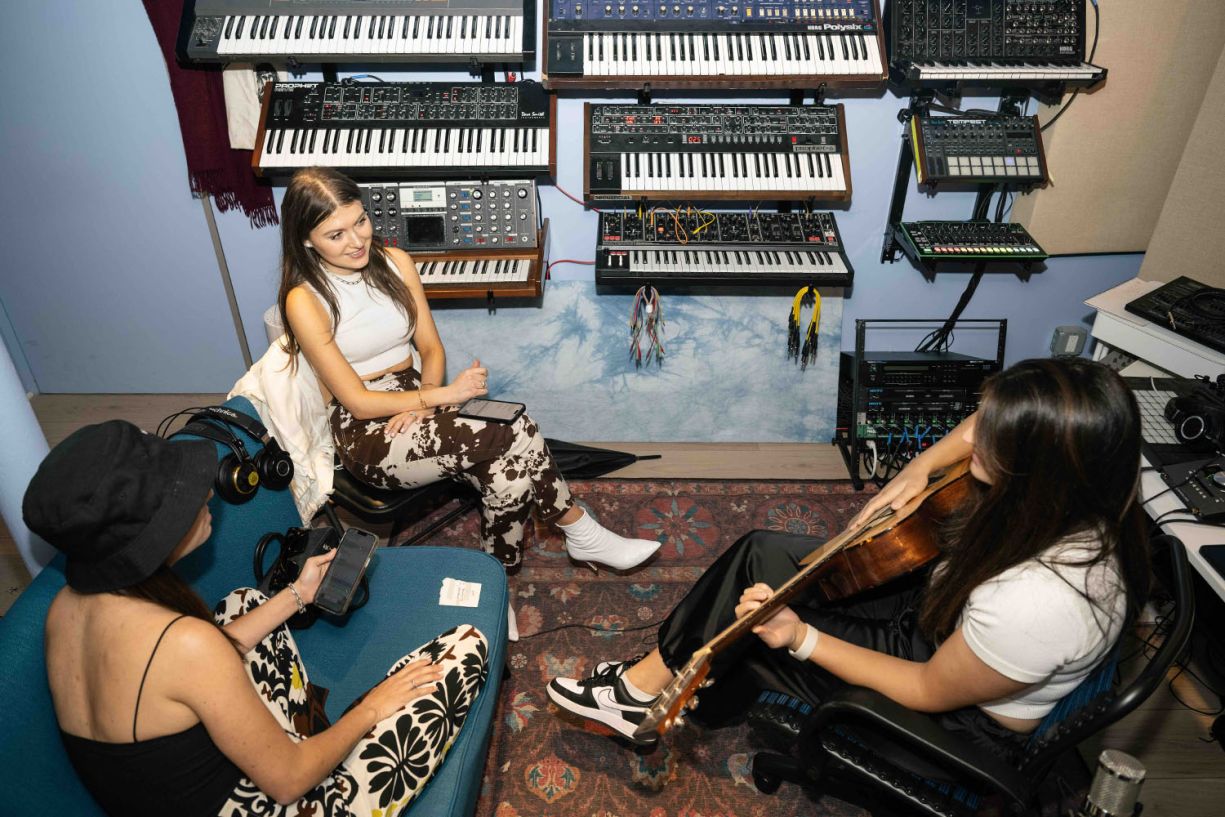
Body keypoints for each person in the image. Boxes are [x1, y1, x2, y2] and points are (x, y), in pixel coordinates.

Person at [546, 359, 1151, 764]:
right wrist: (918, 470)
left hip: (952, 718)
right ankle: (663, 683)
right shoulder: (1082, 486)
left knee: (765, 629)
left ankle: (651, 692)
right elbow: (975, 429)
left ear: (1036, 468)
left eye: (995, 433)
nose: (975, 437)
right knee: (763, 552)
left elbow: (926, 686)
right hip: (950, 619)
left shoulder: (1042, 600)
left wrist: (802, 638)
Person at [29, 421, 489, 816]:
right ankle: (326, 745)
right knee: (467, 646)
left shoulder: (64, 608)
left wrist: (298, 594)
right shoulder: (184, 644)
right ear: (146, 536)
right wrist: (373, 708)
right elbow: (288, 783)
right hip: (278, 797)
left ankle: (305, 733)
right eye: (181, 497)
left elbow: (188, 671)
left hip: (193, 781)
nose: (207, 492)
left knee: (245, 602)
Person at [275, 166, 659, 572]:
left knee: (508, 477)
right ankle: (579, 530)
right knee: (515, 423)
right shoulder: (304, 299)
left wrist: (424, 405)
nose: (356, 241)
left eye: (361, 221)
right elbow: (357, 402)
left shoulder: (396, 263)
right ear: (306, 240)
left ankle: (496, 580)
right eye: (336, 235)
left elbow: (430, 348)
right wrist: (444, 396)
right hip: (368, 431)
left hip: (417, 397)